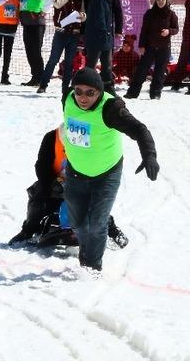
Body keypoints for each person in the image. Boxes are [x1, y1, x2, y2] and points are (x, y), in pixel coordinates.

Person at [60, 67, 158, 277]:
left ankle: (92, 267)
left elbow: (139, 129)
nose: (83, 98)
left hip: (106, 174)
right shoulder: (67, 97)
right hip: (75, 171)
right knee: (77, 224)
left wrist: (149, 155)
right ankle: (88, 249)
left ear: (99, 91)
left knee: (96, 223)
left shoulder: (111, 109)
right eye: (79, 91)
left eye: (90, 93)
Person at [8, 127, 127, 250]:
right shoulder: (52, 138)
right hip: (56, 183)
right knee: (38, 192)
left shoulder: (91, 140)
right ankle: (29, 231)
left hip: (83, 184)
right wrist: (53, 182)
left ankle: (111, 230)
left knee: (94, 203)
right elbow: (42, 166)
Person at [125, 0, 179, 100]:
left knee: (160, 72)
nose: (160, 1)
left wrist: (169, 31)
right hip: (149, 47)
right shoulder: (149, 13)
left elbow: (176, 29)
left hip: (164, 48)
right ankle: (132, 93)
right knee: (141, 70)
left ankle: (155, 93)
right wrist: (141, 45)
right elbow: (144, 30)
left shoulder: (171, 14)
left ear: (167, 0)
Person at [38, 0, 84, 94]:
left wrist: (82, 16)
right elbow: (58, 4)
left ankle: (65, 89)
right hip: (60, 33)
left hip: (74, 34)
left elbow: (84, 13)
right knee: (53, 60)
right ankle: (43, 85)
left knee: (69, 63)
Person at [83, 0, 121, 96]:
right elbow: (100, 21)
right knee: (91, 65)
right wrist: (105, 34)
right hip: (97, 39)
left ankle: (108, 88)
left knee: (107, 65)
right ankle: (84, 86)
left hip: (105, 39)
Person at [18, 0, 53, 86]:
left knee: (36, 51)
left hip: (37, 25)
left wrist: (44, 11)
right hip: (27, 24)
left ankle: (40, 78)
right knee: (29, 52)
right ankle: (35, 77)